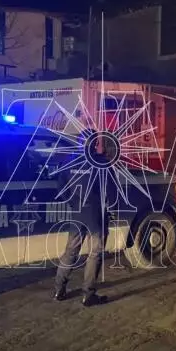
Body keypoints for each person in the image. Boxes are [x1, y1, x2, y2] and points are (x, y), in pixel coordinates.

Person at [53, 131, 115, 307]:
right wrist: (113, 209)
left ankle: (59, 290)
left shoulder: (69, 161)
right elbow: (111, 190)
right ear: (95, 144)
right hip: (96, 214)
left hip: (77, 214)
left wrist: (73, 203)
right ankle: (88, 294)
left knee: (71, 251)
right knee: (95, 253)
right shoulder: (101, 163)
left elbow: (61, 187)